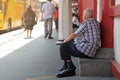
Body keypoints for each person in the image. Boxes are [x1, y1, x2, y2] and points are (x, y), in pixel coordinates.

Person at [56, 8, 101, 78]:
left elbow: (74, 34)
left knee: (63, 46)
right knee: (69, 43)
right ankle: (66, 65)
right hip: (92, 51)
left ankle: (70, 68)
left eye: (83, 14)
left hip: (85, 51)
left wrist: (64, 41)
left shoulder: (86, 23)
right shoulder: (97, 23)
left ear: (85, 16)